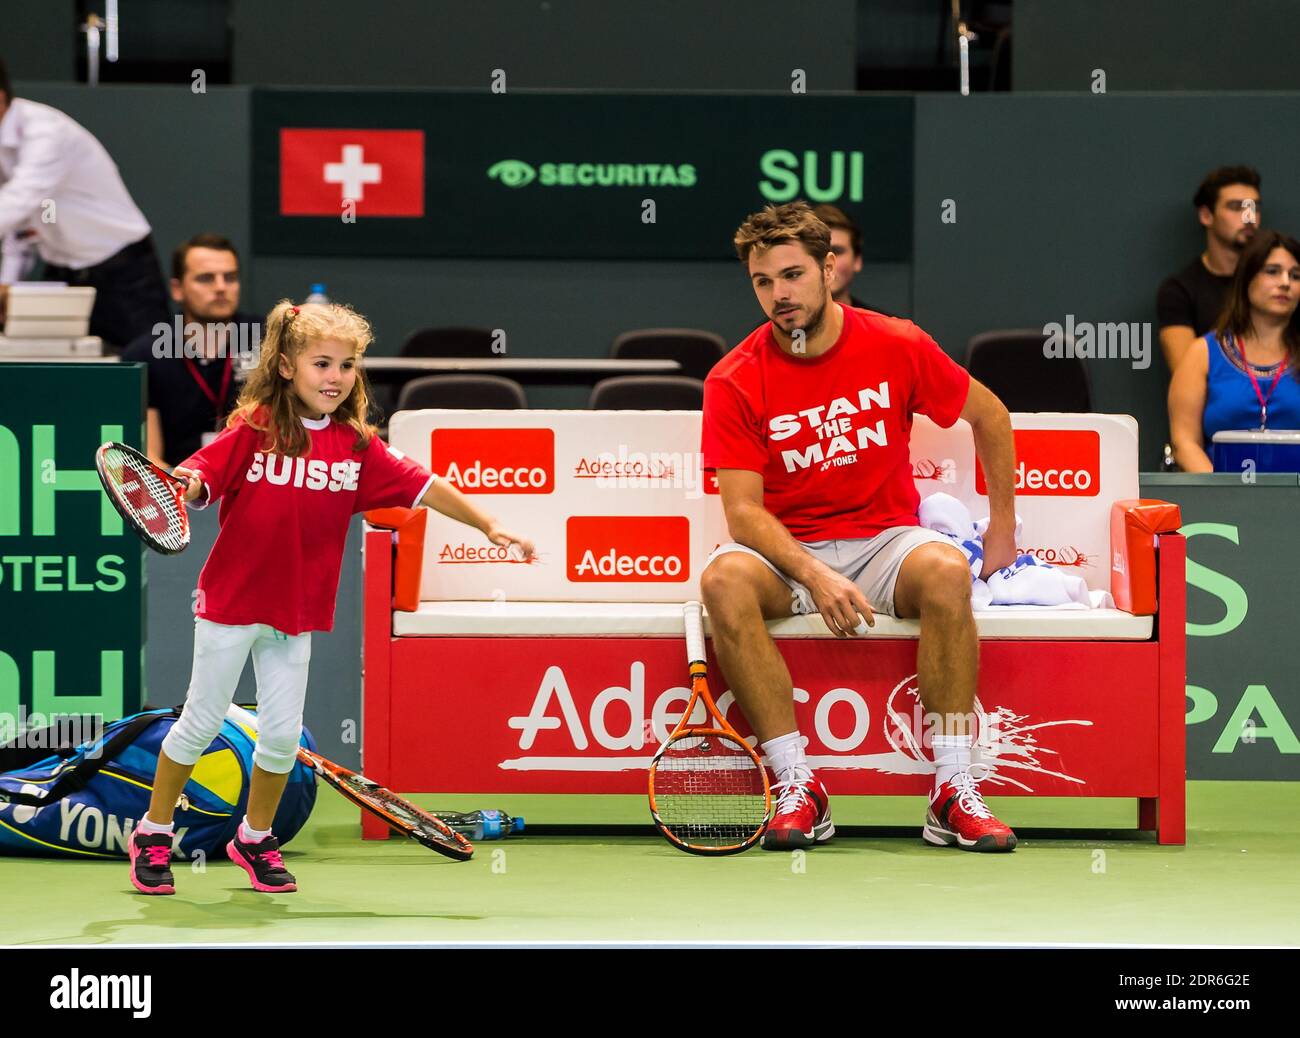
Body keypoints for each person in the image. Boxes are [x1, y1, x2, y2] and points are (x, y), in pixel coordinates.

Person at [126, 300, 535, 895]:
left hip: (297, 611)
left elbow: (425, 485)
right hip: (231, 603)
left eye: (347, 365)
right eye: (322, 363)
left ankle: (255, 838)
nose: (336, 377)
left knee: (284, 736)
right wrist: (185, 483)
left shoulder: (356, 446)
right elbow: (200, 479)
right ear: (288, 365)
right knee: (201, 721)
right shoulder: (255, 427)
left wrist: (489, 525)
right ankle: (154, 831)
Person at [701, 201, 1019, 852]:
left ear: (829, 267)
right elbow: (742, 513)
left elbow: (991, 416)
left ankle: (953, 788)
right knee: (724, 582)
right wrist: (812, 573)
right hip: (790, 553)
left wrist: (1004, 531)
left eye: (792, 275)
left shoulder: (896, 343)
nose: (778, 295)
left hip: (884, 542)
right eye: (763, 282)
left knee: (947, 571)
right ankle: (798, 787)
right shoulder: (733, 378)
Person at [0, 57, 169, 349]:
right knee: (60, 369)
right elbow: (20, 231)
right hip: (62, 271)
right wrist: (7, 284)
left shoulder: (46, 132)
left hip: (122, 270)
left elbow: (16, 202)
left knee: (152, 365)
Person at [121, 234, 261, 468]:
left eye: (230, 278)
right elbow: (147, 454)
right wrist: (179, 489)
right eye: (206, 278)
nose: (220, 287)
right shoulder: (146, 354)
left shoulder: (269, 340)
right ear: (177, 289)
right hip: (177, 485)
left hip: (251, 485)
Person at [1168, 229, 1300, 473]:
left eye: (1295, 275)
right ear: (1246, 278)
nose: (1285, 282)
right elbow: (1184, 442)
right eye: (1272, 271)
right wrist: (1224, 494)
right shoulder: (1203, 353)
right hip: (1219, 503)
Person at [1157, 166, 1261, 373]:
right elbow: (1187, 375)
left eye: (1254, 207)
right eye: (1235, 207)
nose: (1249, 217)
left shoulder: (1277, 284)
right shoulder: (1179, 291)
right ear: (1206, 215)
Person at [812, 203, 900, 317]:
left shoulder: (887, 331)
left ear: (857, 260)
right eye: (818, 252)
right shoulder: (782, 329)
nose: (828, 263)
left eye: (837, 251)